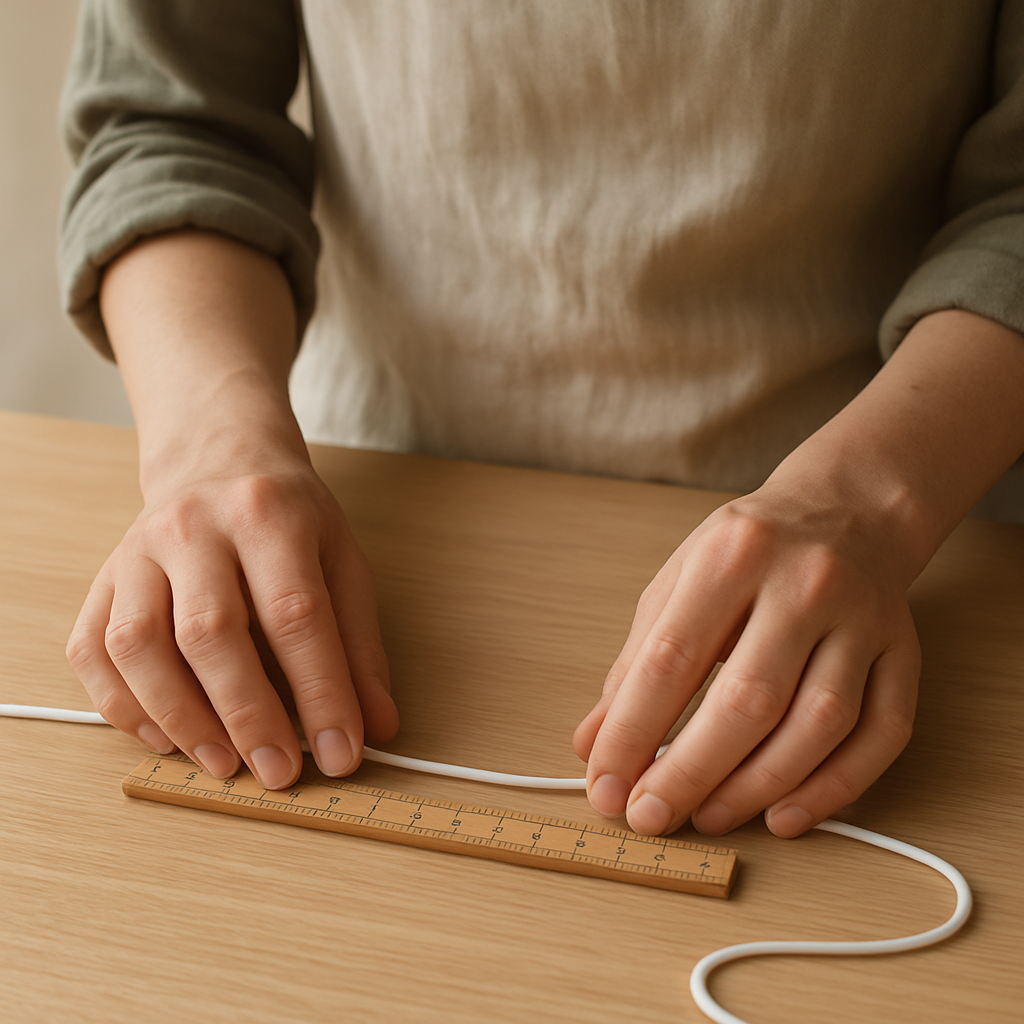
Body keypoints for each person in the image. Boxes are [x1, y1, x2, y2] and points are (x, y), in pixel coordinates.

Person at [59, 2, 1024, 839]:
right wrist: (210, 448)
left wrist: (869, 503)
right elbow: (168, 124)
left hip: (928, 516)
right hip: (358, 500)